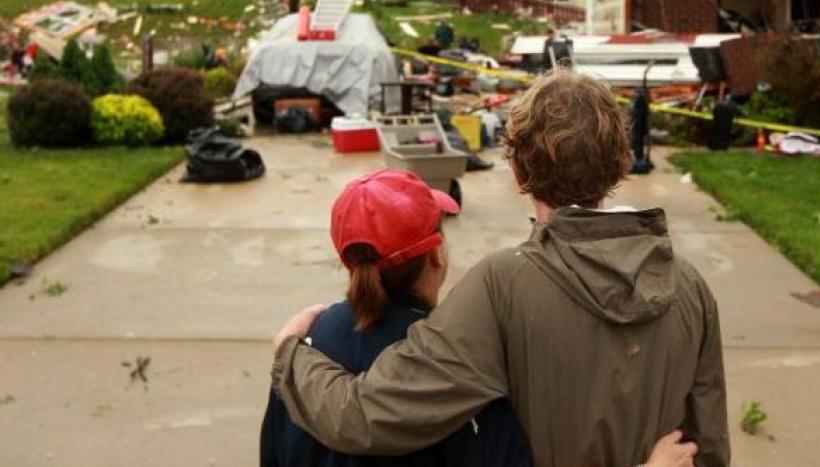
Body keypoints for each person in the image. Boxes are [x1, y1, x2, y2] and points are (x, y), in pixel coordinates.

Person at [272, 70, 730, 466]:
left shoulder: (502, 286)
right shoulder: (689, 286)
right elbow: (708, 447)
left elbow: (366, 416)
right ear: (621, 162)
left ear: (516, 171)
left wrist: (290, 357)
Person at [262, 168, 698, 467]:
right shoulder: (460, 361)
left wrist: (289, 348)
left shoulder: (301, 358)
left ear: (348, 263)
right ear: (437, 254)